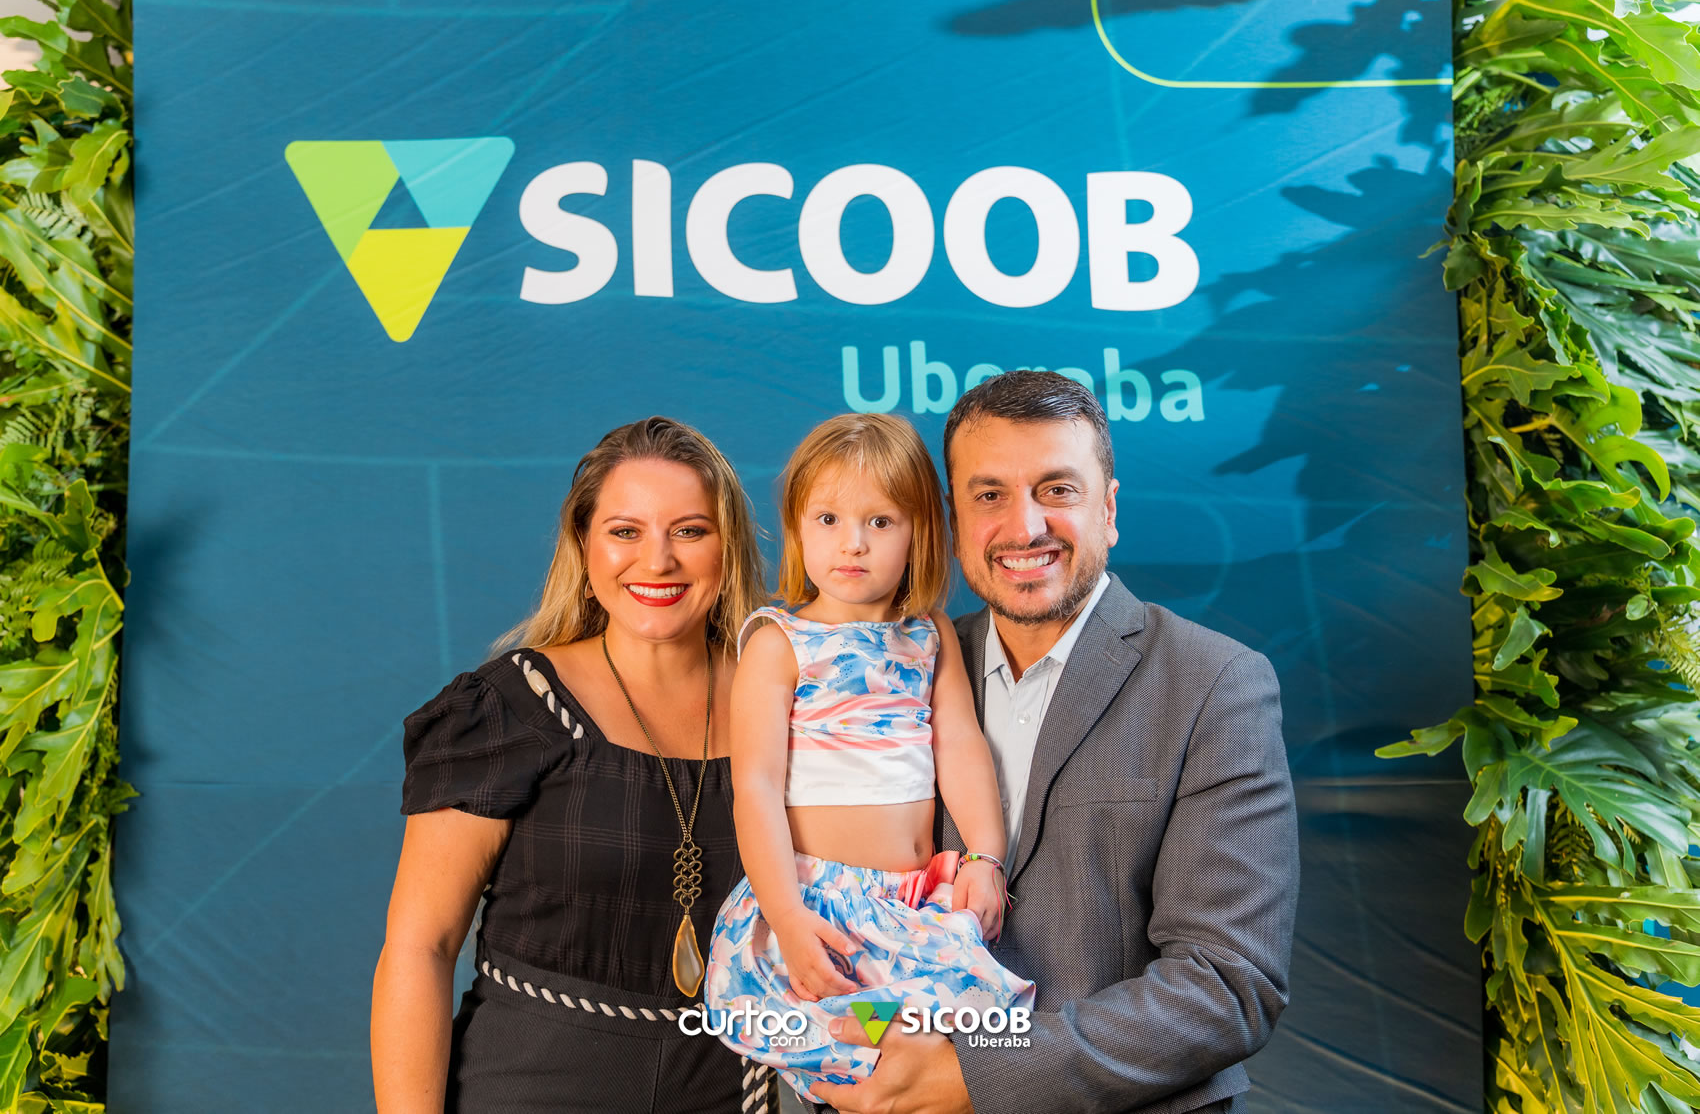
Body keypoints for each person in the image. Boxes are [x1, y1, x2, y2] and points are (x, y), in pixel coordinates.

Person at [812, 371, 1299, 1114]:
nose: (1025, 526)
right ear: (953, 520)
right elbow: (842, 905)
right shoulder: (893, 674)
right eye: (989, 495)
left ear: (1108, 509)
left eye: (1058, 490)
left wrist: (974, 1076)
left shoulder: (1215, 684)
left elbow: (1229, 983)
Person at [371, 417, 769, 1113]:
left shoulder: (793, 707)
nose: (658, 560)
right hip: (528, 1089)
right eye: (625, 531)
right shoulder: (506, 708)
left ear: (727, 547)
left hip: (732, 1090)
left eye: (689, 530)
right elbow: (420, 947)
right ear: (583, 547)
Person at [703, 413, 1034, 1104]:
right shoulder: (778, 641)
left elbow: (959, 745)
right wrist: (787, 916)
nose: (852, 542)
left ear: (919, 534)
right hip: (815, 903)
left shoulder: (927, 633)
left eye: (881, 522)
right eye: (828, 519)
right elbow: (755, 787)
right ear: (798, 528)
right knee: (846, 1052)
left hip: (908, 908)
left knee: (951, 1049)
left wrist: (985, 855)